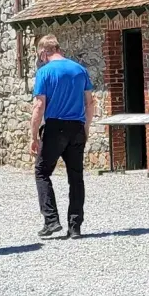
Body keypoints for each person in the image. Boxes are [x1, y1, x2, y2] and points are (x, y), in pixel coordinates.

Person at [30, 34, 94, 239]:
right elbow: (90, 103)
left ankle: (51, 220)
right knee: (76, 177)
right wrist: (86, 128)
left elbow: (39, 106)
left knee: (42, 171)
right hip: (76, 127)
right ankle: (75, 226)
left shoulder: (44, 72)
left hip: (55, 127)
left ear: (43, 52)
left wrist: (33, 135)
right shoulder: (80, 70)